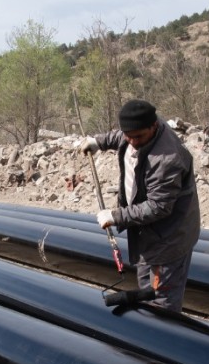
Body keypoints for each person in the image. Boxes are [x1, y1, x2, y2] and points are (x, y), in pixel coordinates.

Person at [78, 99, 201, 311]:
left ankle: (161, 339)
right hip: (147, 234)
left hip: (168, 239)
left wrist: (116, 216)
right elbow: (122, 136)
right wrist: (99, 141)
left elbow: (158, 206)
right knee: (146, 289)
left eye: (138, 137)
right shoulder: (138, 132)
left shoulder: (166, 159)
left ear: (153, 126)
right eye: (129, 136)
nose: (132, 142)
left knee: (161, 301)